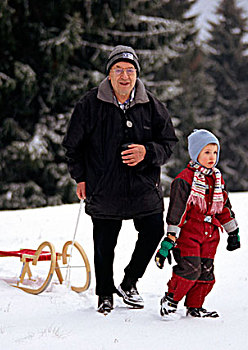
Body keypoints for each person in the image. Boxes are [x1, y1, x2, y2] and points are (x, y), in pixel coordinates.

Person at [62, 45, 177, 314]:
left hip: (143, 187)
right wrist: (80, 177)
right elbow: (72, 146)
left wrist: (147, 152)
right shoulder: (89, 104)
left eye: (130, 70)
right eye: (118, 70)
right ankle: (105, 293)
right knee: (104, 244)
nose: (125, 76)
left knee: (152, 233)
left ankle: (129, 283)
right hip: (104, 187)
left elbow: (168, 143)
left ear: (136, 74)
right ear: (109, 74)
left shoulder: (151, 105)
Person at [154, 129, 240, 318]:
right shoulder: (184, 180)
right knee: (190, 270)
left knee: (206, 274)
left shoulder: (216, 179)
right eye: (206, 152)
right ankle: (170, 300)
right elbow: (177, 211)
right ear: (196, 153)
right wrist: (169, 240)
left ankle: (195, 307)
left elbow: (223, 206)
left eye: (215, 152)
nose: (212, 157)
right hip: (189, 236)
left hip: (210, 236)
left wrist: (233, 232)